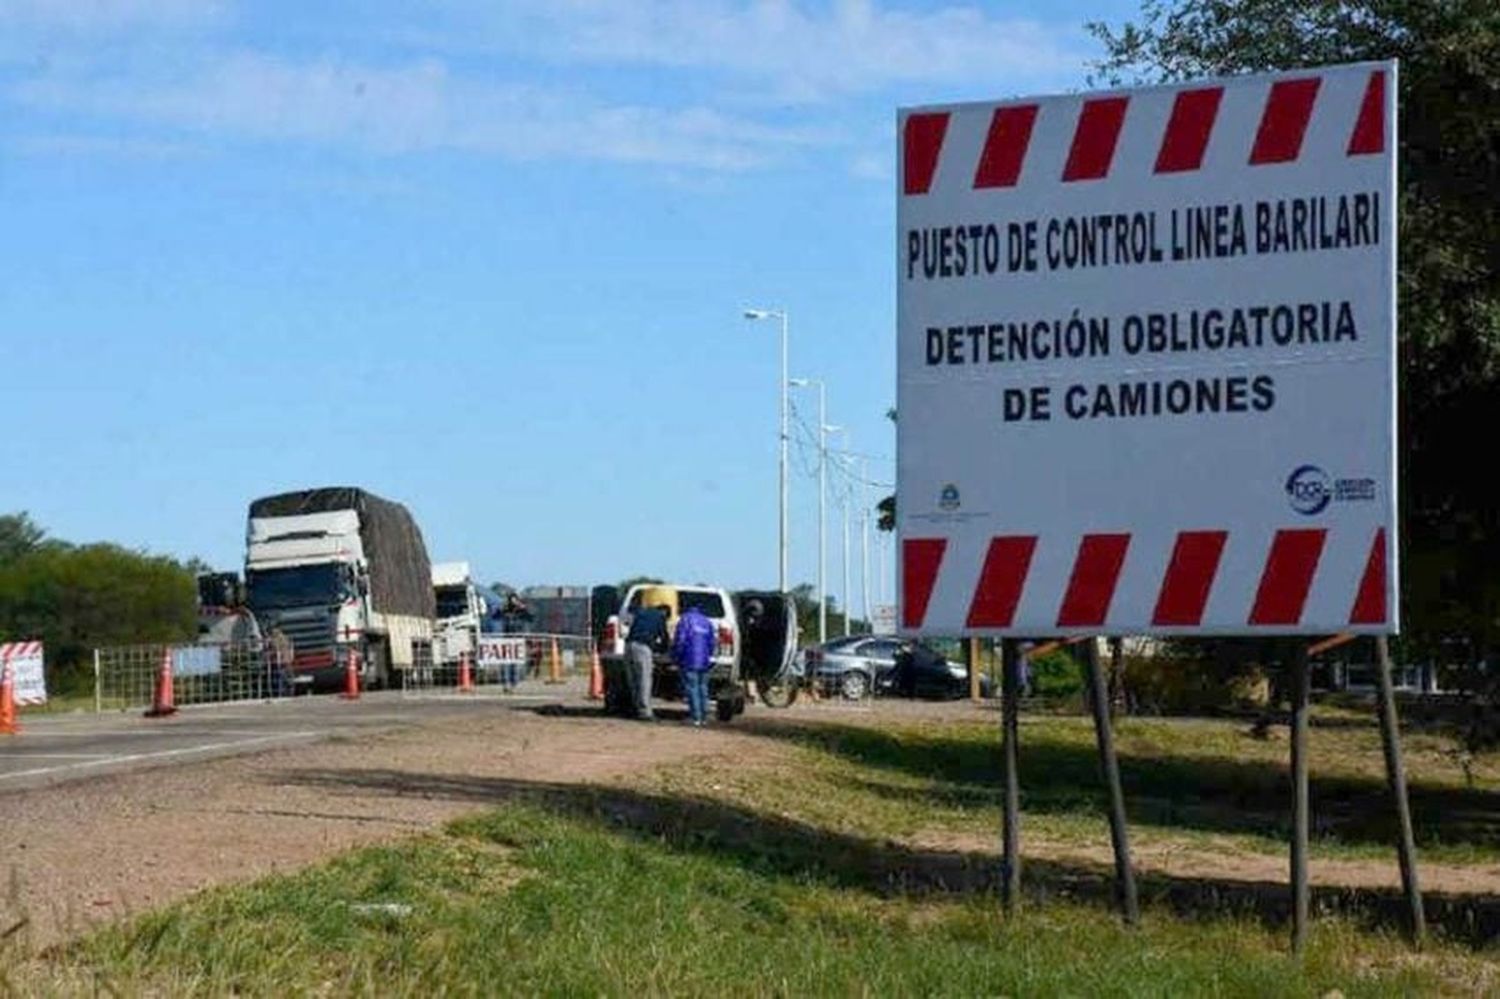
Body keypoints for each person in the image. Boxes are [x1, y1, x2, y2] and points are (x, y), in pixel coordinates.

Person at [625, 602, 671, 720]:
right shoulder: (660, 617)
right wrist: (663, 651)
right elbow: (664, 637)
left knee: (634, 681)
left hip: (629, 646)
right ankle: (645, 713)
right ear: (665, 613)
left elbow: (631, 611)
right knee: (644, 681)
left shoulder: (642, 612)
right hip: (642, 647)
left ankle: (635, 709)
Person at [672, 603, 716, 727]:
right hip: (704, 660)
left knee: (692, 688)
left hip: (689, 659)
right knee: (703, 688)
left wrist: (676, 656)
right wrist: (709, 656)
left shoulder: (685, 619)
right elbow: (712, 642)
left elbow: (680, 639)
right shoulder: (707, 621)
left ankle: (695, 718)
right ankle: (704, 717)